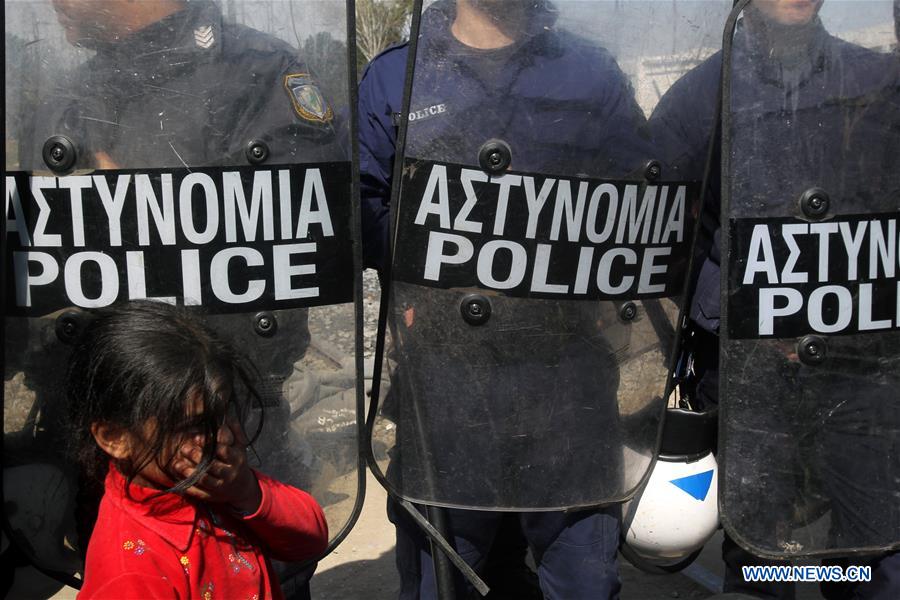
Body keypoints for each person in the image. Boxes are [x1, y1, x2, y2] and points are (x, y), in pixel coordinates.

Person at [4, 1, 353, 595]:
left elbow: (295, 245)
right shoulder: (69, 93)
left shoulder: (260, 73)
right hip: (109, 457)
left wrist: (124, 201)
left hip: (226, 443)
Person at [359, 1, 656, 598]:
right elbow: (360, 210)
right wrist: (441, 268)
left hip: (567, 376)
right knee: (446, 577)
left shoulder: (590, 72)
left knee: (583, 579)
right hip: (445, 382)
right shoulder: (397, 76)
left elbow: (642, 204)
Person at [650, 0, 900, 597]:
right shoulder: (699, 98)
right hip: (748, 374)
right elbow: (656, 233)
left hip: (862, 369)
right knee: (763, 553)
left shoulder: (876, 83)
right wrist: (738, 308)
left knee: (874, 555)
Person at [65, 300, 328, 599]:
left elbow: (310, 540)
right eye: (194, 425)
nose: (225, 436)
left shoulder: (214, 480)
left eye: (226, 411)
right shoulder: (131, 575)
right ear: (115, 437)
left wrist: (248, 492)